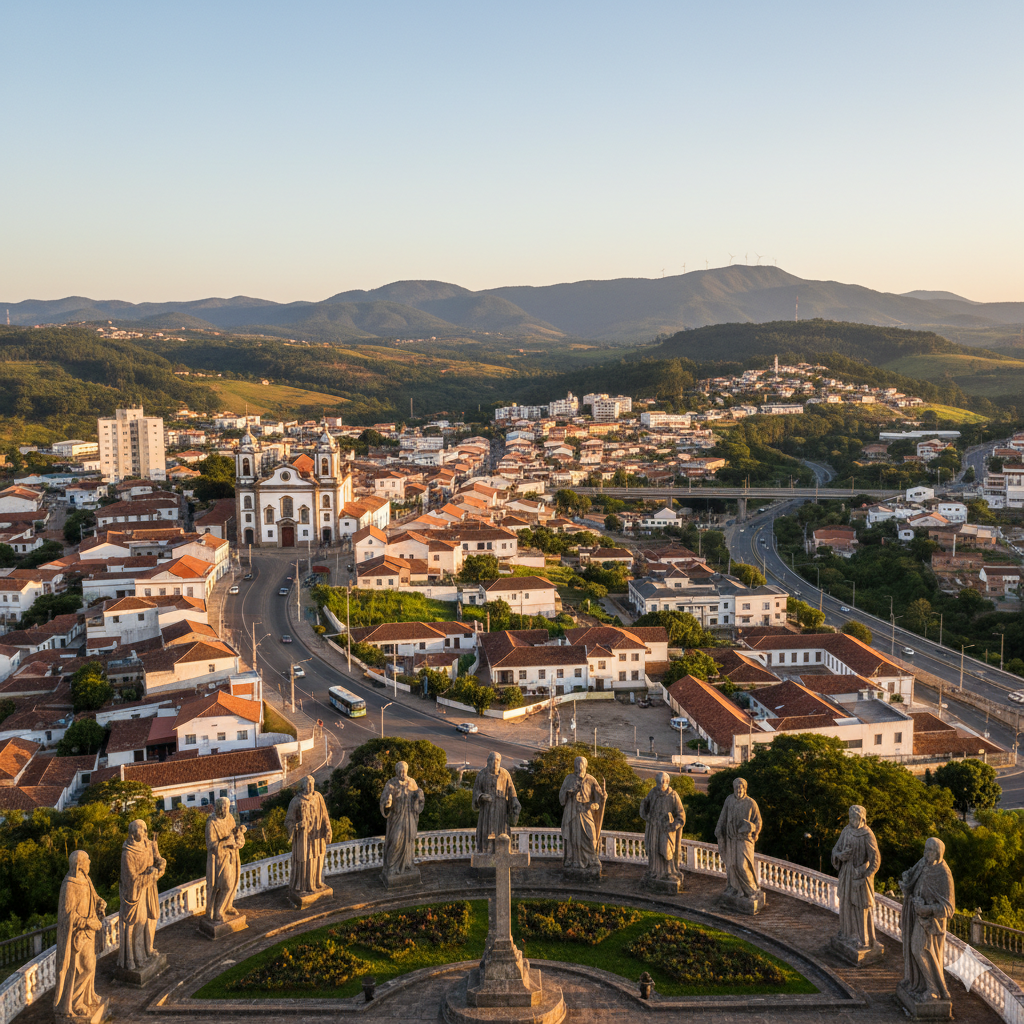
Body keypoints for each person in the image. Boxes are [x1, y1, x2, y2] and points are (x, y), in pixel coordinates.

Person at [899, 837, 955, 1003]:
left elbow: (949, 909)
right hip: (914, 913)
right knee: (912, 947)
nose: (925, 853)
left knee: (919, 949)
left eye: (929, 851)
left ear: (938, 853)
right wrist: (907, 877)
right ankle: (916, 983)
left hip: (930, 922)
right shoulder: (923, 862)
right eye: (925, 849)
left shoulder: (944, 873)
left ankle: (933, 989)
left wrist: (928, 909)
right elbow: (912, 874)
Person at [54, 851, 106, 1024]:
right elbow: (67, 916)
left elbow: (94, 896)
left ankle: (86, 998)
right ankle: (75, 1003)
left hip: (88, 932)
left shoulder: (86, 879)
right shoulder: (69, 885)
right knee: (85, 968)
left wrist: (100, 902)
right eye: (87, 860)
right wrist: (87, 923)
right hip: (78, 934)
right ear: (79, 864)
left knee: (90, 966)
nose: (90, 861)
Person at [831, 805, 882, 952]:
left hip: (859, 876)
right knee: (845, 904)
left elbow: (876, 860)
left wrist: (865, 875)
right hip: (846, 873)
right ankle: (847, 933)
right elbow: (835, 849)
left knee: (861, 907)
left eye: (855, 817)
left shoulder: (867, 834)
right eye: (850, 817)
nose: (852, 820)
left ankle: (863, 939)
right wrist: (840, 856)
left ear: (862, 818)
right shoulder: (846, 831)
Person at [118, 819, 166, 973]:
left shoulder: (149, 845)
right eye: (141, 830)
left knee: (152, 919)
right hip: (136, 893)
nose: (145, 832)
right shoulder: (127, 854)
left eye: (145, 829)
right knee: (139, 922)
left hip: (149, 890)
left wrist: (161, 864)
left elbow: (158, 859)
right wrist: (151, 875)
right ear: (133, 833)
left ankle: (148, 948)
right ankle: (137, 957)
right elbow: (130, 880)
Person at [714, 777, 763, 900]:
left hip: (744, 840)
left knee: (742, 865)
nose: (739, 789)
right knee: (731, 865)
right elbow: (723, 817)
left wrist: (754, 831)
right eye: (736, 787)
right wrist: (718, 828)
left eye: (741, 787)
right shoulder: (729, 800)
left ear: (745, 789)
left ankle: (751, 891)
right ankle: (735, 889)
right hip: (731, 839)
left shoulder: (751, 803)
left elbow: (758, 822)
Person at [284, 775, 333, 895]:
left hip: (317, 835)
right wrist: (297, 826)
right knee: (306, 860)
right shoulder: (296, 801)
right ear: (302, 785)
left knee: (318, 858)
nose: (310, 786)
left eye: (312, 784)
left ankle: (317, 882)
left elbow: (325, 815)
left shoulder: (318, 797)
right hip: (303, 838)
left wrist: (328, 829)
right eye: (308, 784)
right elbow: (288, 821)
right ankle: (305, 886)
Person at [558, 755, 605, 873]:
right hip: (572, 811)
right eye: (577, 765)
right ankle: (573, 860)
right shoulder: (568, 779)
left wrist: (600, 800)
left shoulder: (590, 779)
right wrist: (568, 793)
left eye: (581, 765)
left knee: (591, 835)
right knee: (573, 837)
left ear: (585, 766)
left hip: (585, 811)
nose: (579, 768)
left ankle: (591, 859)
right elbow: (561, 796)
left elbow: (599, 797)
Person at [379, 761, 425, 881]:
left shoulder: (412, 782)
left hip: (409, 818)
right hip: (397, 819)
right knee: (395, 841)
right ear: (396, 771)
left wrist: (418, 796)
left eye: (404, 771)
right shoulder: (391, 783)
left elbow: (419, 797)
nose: (402, 773)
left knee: (408, 842)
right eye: (400, 771)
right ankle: (391, 867)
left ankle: (407, 864)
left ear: (407, 770)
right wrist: (387, 802)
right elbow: (384, 799)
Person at [639, 772, 686, 885]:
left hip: (666, 829)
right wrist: (644, 805)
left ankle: (669, 873)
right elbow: (646, 806)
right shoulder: (653, 792)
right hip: (654, 827)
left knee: (666, 851)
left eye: (663, 782)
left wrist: (675, 824)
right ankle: (654, 872)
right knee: (653, 849)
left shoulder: (673, 795)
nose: (661, 784)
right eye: (659, 782)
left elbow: (681, 814)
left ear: (667, 782)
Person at [205, 797, 247, 923]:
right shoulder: (211, 822)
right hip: (219, 859)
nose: (224, 809)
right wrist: (225, 842)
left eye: (226, 807)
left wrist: (238, 833)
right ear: (217, 807)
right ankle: (218, 910)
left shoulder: (230, 818)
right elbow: (211, 845)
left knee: (233, 883)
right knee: (226, 885)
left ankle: (227, 906)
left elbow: (233, 834)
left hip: (232, 855)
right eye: (222, 807)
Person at [472, 751, 522, 852]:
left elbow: (511, 791)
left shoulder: (505, 774)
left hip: (501, 808)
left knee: (502, 831)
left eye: (497, 760)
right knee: (486, 831)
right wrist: (482, 796)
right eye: (492, 760)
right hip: (487, 810)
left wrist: (515, 801)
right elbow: (476, 792)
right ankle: (485, 849)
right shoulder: (481, 774)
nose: (495, 763)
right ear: (488, 761)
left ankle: (503, 850)